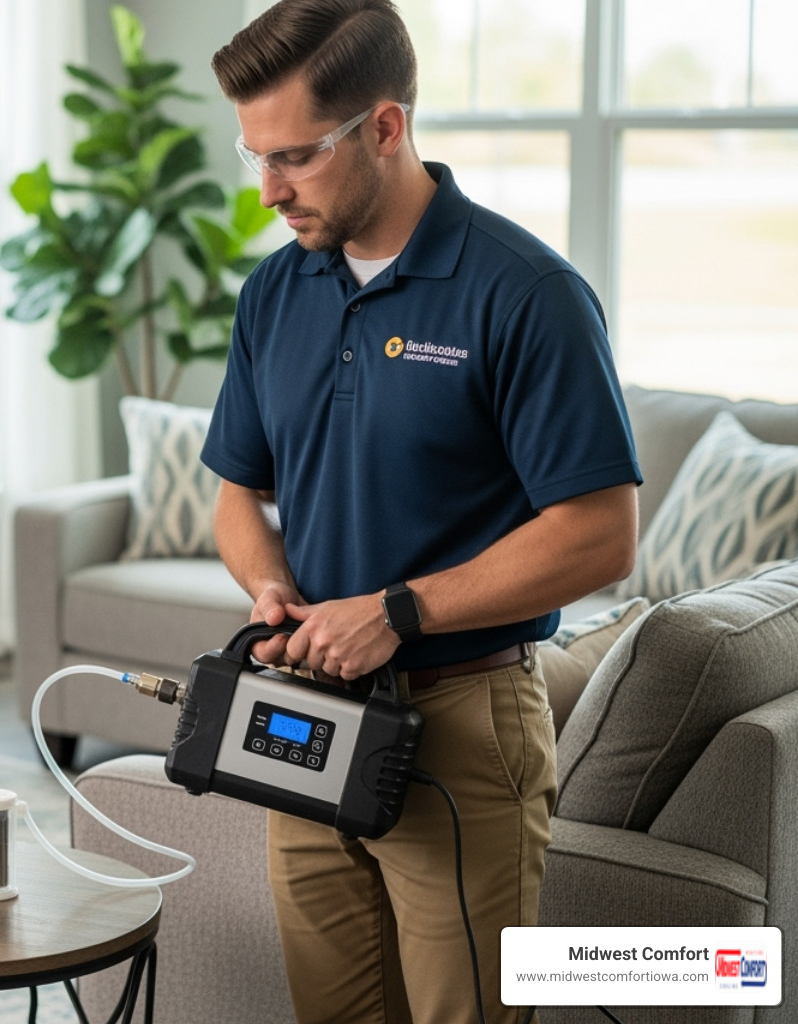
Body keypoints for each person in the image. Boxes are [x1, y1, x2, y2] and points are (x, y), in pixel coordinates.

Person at [201, 3, 641, 1022]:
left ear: (386, 127)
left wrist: (395, 611)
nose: (268, 191)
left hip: (461, 728)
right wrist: (267, 585)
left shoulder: (526, 293)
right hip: (303, 711)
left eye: (297, 158)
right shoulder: (274, 293)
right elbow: (237, 495)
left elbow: (602, 534)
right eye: (255, 156)